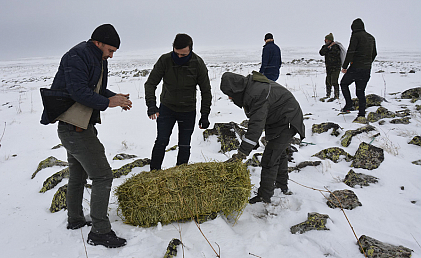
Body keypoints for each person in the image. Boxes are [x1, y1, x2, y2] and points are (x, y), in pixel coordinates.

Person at [39, 24, 131, 248]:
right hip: (75, 129)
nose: (111, 55)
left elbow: (94, 91)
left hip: (78, 127)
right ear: (98, 42)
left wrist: (114, 97)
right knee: (102, 176)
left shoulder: (95, 58)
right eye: (110, 50)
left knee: (78, 175)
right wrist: (108, 102)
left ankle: (76, 220)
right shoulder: (77, 55)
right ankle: (100, 231)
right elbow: (78, 91)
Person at [220, 71, 305, 204]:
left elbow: (256, 125)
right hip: (280, 119)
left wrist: (242, 154)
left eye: (230, 95)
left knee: (269, 158)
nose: (230, 98)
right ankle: (281, 187)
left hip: (287, 120)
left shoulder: (256, 94)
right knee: (279, 154)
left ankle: (264, 196)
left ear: (235, 89)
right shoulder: (251, 88)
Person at [144, 33, 212, 171]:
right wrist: (151, 104)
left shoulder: (198, 63)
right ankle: (153, 174)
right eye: (177, 54)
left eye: (183, 55)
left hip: (188, 111)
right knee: (161, 140)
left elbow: (206, 91)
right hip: (167, 109)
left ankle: (181, 175)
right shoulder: (165, 60)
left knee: (184, 144)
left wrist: (204, 114)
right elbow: (150, 83)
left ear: (190, 50)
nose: (179, 57)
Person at [340, 18, 377, 123]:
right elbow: (374, 53)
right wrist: (368, 63)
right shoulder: (371, 37)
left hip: (356, 67)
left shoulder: (356, 36)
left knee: (343, 83)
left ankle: (349, 105)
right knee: (360, 92)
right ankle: (361, 114)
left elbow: (351, 50)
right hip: (366, 69)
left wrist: (345, 66)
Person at [319, 33, 341, 102]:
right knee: (328, 81)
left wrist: (330, 48)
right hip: (328, 67)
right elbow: (321, 53)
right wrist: (328, 47)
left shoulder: (336, 46)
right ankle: (328, 94)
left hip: (336, 67)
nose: (325, 40)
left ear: (330, 40)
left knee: (334, 81)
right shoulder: (325, 47)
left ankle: (336, 95)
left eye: (326, 39)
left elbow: (335, 53)